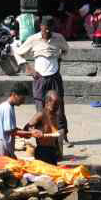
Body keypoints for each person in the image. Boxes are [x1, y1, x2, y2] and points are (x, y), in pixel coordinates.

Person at [13, 16, 71, 151]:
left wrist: (59, 59)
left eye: (50, 29)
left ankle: (63, 136)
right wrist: (28, 69)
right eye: (45, 29)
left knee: (59, 108)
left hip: (54, 77)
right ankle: (43, 136)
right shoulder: (33, 39)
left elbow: (66, 49)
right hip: (40, 78)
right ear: (41, 27)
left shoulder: (59, 38)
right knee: (41, 110)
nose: (47, 32)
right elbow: (18, 53)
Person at [0, 82, 38, 159]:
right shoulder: (7, 108)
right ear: (14, 95)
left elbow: (12, 128)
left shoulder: (8, 106)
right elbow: (10, 131)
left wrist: (25, 133)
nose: (23, 102)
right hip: (2, 146)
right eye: (22, 99)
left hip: (5, 145)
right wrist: (30, 133)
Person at [24, 90, 61, 165]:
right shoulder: (41, 115)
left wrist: (58, 150)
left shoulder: (55, 116)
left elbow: (55, 135)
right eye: (55, 104)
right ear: (48, 102)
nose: (57, 107)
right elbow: (26, 128)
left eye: (58, 105)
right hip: (42, 150)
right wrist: (33, 131)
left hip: (52, 151)